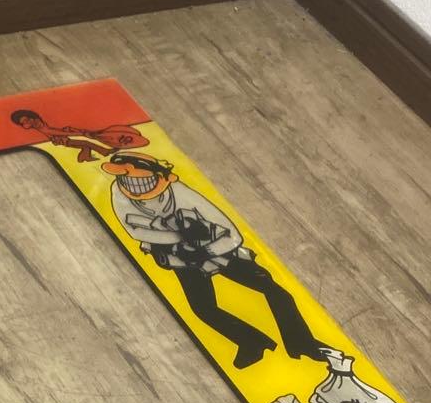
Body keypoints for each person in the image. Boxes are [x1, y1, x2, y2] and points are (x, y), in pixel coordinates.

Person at [103, 152, 326, 369]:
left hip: (220, 248)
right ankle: (251, 342)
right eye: (128, 182)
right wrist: (178, 241)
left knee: (272, 290)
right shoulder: (119, 193)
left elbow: (231, 233)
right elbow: (135, 230)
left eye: (141, 182)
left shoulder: (181, 194)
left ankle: (302, 343)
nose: (134, 187)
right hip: (181, 256)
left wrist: (207, 249)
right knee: (202, 308)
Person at [10, 109, 149, 162]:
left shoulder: (41, 123)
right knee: (86, 143)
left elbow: (54, 130)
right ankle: (104, 151)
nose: (27, 124)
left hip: (65, 136)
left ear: (31, 116)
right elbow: (54, 133)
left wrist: (73, 130)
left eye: (27, 120)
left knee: (85, 144)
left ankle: (84, 157)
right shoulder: (40, 127)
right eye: (24, 123)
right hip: (65, 139)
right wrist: (77, 132)